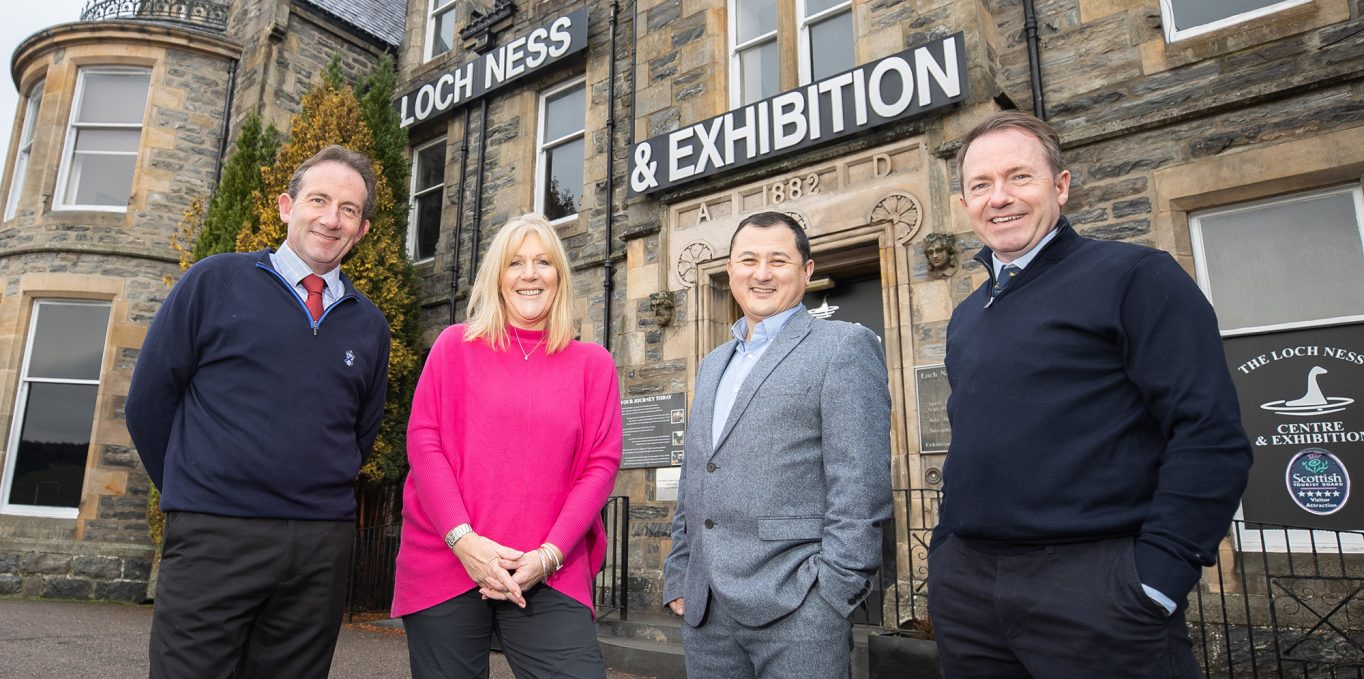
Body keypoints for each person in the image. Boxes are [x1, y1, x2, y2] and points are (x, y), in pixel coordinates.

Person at [928, 111, 1253, 677]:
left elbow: (1209, 433)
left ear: (1060, 186)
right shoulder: (968, 316)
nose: (999, 197)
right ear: (964, 204)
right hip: (971, 593)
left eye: (1019, 177)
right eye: (981, 185)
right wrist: (945, 553)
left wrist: (1158, 578)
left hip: (1097, 590)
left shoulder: (1135, 276)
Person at [126, 145, 391, 678]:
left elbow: (360, 432)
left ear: (361, 230)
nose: (331, 219)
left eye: (348, 210)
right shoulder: (213, 282)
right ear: (286, 207)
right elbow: (148, 403)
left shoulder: (370, 325)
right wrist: (197, 493)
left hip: (319, 547)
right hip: (214, 535)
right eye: (318, 200)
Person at [663, 211, 892, 678]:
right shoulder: (712, 363)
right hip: (706, 612)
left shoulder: (844, 346)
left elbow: (861, 482)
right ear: (731, 270)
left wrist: (833, 594)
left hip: (798, 605)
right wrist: (680, 573)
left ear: (806, 271)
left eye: (778, 260)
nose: (761, 273)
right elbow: (697, 473)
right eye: (748, 260)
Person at [393, 213, 622, 679]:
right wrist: (464, 542)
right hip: (448, 560)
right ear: (497, 276)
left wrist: (549, 555)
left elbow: (600, 466)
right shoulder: (454, 347)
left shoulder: (592, 364)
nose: (529, 274)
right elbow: (424, 441)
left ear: (559, 275)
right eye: (515, 262)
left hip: (549, 569)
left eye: (543, 262)